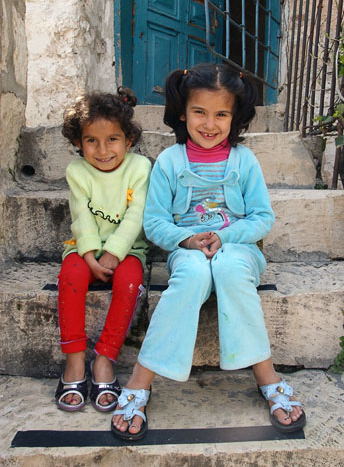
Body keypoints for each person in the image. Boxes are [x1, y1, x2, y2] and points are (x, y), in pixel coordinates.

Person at [111, 63, 306, 439]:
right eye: (199, 112)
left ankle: (265, 373)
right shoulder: (169, 161)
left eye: (221, 114)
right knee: (194, 274)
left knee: (231, 269)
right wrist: (186, 240)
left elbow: (263, 217)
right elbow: (154, 223)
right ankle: (142, 377)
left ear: (235, 117)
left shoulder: (244, 161)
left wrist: (227, 236)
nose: (209, 123)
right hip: (188, 251)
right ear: (183, 112)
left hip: (237, 249)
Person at [55, 88, 151, 413]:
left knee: (129, 282)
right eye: (91, 140)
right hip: (84, 249)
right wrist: (89, 255)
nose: (103, 149)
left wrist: (113, 254)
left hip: (128, 250)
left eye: (113, 139)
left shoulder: (139, 168)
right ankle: (75, 362)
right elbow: (81, 216)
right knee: (69, 276)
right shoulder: (77, 171)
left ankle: (105, 359)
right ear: (78, 143)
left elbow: (136, 216)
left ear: (129, 139)